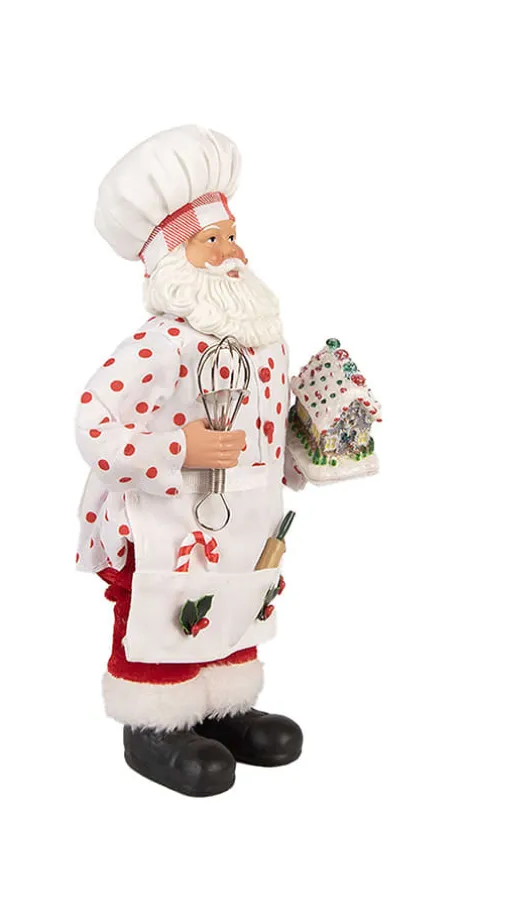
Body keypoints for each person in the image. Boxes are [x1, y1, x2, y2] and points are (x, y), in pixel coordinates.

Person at [76, 125, 305, 796]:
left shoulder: (264, 342)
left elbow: (272, 425)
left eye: (232, 235)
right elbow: (95, 422)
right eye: (212, 241)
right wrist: (182, 449)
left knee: (235, 598)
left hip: (245, 516)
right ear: (175, 261)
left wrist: (314, 442)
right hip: (168, 515)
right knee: (167, 606)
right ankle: (154, 724)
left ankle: (222, 706)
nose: (233, 251)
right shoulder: (163, 344)